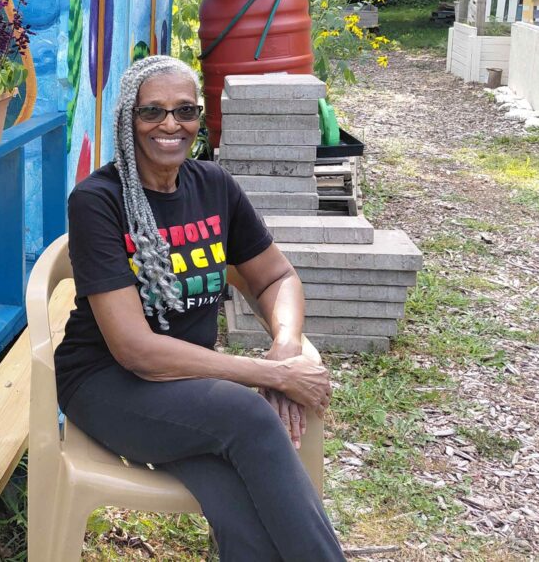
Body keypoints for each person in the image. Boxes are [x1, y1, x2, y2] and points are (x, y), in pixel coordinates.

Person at [54, 54, 345, 561]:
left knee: (238, 499)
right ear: (128, 119)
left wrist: (285, 346)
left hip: (186, 388)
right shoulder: (98, 201)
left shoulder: (214, 185)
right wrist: (270, 377)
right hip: (105, 383)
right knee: (250, 416)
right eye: (153, 112)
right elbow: (135, 350)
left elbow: (277, 277)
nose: (171, 124)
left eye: (185, 111)